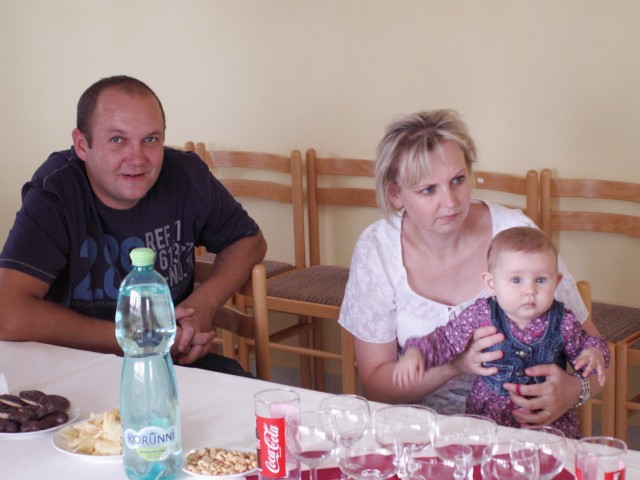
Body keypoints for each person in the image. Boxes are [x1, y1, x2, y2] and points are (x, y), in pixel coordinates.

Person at [338, 109, 606, 428]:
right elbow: (376, 386)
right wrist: (454, 366)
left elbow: (597, 356)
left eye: (458, 180)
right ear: (396, 194)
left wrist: (575, 390)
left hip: (521, 433)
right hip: (416, 430)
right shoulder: (377, 247)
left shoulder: (516, 235)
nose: (451, 201)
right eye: (428, 189)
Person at [0, 75, 267, 376]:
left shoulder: (185, 174)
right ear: (82, 145)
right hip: (75, 366)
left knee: (253, 399)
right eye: (117, 140)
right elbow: (7, 312)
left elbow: (250, 240)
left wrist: (203, 304)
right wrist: (138, 341)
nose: (137, 159)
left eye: (150, 139)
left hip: (172, 363)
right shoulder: (57, 190)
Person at [392, 226, 609, 438]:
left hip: (547, 421)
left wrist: (593, 353)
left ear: (556, 282)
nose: (529, 290)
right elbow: (446, 339)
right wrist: (417, 352)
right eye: (516, 280)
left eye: (540, 280)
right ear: (491, 284)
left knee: (555, 455)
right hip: (488, 419)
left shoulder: (563, 322)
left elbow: (587, 345)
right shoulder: (482, 314)